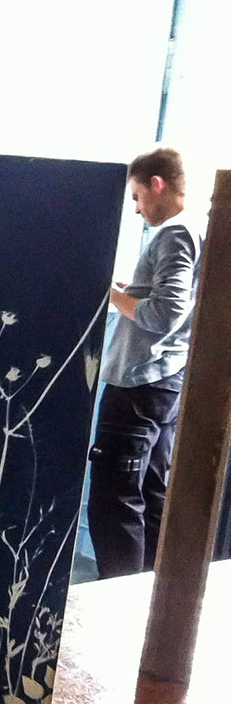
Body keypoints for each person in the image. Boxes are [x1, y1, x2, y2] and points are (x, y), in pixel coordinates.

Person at [88, 147, 203, 579]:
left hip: (139, 385)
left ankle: (114, 602)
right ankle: (147, 604)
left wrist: (108, 293)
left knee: (115, 503)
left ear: (157, 184)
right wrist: (128, 292)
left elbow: (164, 313)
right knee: (150, 497)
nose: (136, 209)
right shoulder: (197, 230)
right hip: (164, 383)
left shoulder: (174, 234)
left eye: (136, 196)